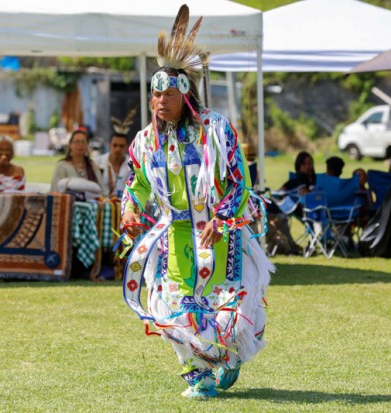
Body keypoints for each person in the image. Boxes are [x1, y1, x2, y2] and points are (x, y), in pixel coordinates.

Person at [120, 5, 272, 399]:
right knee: (173, 308)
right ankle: (199, 376)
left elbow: (239, 182)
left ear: (185, 95)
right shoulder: (146, 142)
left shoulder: (215, 131)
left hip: (219, 236)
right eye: (156, 94)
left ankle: (229, 357)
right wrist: (131, 208)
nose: (160, 102)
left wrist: (221, 219)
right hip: (174, 238)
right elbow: (136, 183)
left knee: (225, 311)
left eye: (168, 94)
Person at [50, 128, 107, 199]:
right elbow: (55, 191)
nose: (80, 144)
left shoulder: (92, 166)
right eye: (77, 142)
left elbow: (103, 191)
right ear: (70, 145)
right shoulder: (62, 166)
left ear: (87, 145)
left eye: (83, 142)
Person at [94, 107, 136, 198]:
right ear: (110, 145)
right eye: (115, 145)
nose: (117, 149)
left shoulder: (133, 165)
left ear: (127, 147)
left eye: (121, 146)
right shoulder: (96, 162)